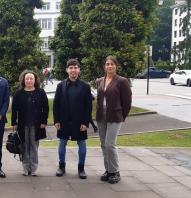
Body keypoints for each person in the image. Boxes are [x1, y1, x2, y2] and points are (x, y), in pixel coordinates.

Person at [53, 59, 92, 179]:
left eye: (75, 67)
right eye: (71, 68)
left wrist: (85, 122)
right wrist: (56, 120)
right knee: (62, 144)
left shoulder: (85, 86)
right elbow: (56, 104)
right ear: (67, 70)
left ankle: (81, 168)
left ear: (79, 70)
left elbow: (88, 106)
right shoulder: (61, 85)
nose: (73, 70)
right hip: (64, 121)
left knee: (82, 145)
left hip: (79, 121)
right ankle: (61, 166)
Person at [96, 55, 132, 184]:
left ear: (116, 66)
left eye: (112, 64)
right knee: (103, 145)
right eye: (107, 64)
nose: (109, 66)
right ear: (104, 66)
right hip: (101, 117)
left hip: (115, 117)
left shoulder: (122, 81)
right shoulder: (100, 81)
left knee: (110, 144)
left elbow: (127, 102)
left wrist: (123, 115)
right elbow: (99, 99)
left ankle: (115, 171)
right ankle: (108, 170)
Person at [11, 70, 49, 176]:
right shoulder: (18, 94)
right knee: (24, 145)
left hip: (36, 125)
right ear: (23, 80)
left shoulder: (41, 92)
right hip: (22, 124)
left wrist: (44, 121)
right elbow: (14, 110)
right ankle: (25, 167)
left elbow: (45, 108)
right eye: (27, 78)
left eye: (31, 78)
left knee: (33, 146)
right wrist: (13, 123)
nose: (29, 80)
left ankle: (33, 169)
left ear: (35, 80)